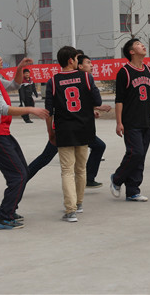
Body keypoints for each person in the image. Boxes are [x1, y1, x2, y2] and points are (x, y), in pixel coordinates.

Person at [0, 44, 50, 230]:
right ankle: (2, 217)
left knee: (22, 170)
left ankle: (9, 209)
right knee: (18, 175)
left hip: (2, 132)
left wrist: (20, 67)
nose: (0, 58)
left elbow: (14, 85)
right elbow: (2, 108)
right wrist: (30, 109)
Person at [46, 46, 102, 222]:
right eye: (77, 58)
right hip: (84, 128)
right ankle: (78, 204)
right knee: (80, 169)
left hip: (64, 130)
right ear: (71, 60)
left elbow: (49, 111)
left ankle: (70, 210)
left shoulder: (53, 82)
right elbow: (97, 100)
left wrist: (50, 132)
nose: (78, 61)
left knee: (67, 170)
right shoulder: (86, 77)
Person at [110, 38, 150, 202]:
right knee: (135, 153)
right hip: (130, 122)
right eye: (138, 44)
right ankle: (116, 178)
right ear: (131, 51)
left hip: (145, 121)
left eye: (142, 43)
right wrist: (119, 122)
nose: (142, 45)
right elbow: (119, 99)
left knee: (141, 157)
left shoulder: (148, 70)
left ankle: (133, 191)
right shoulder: (125, 72)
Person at [77, 54, 110, 188]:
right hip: (75, 127)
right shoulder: (85, 78)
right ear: (79, 65)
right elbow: (94, 100)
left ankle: (89, 178)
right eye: (88, 63)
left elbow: (79, 102)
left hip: (69, 126)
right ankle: (24, 176)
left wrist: (91, 110)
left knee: (98, 146)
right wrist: (97, 106)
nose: (92, 65)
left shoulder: (72, 79)